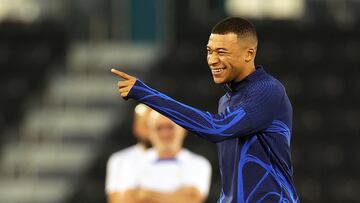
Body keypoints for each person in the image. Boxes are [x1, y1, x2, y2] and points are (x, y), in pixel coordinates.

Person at [111, 17, 299, 203]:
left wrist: (145, 93)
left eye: (222, 52)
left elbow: (216, 128)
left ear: (248, 54)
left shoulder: (268, 90)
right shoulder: (225, 101)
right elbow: (232, 178)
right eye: (209, 51)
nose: (213, 60)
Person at [120, 110, 212, 203]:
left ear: (183, 129)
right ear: (150, 132)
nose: (165, 133)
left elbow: (190, 200)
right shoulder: (132, 163)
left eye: (170, 127)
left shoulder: (198, 163)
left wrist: (144, 195)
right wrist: (176, 197)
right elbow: (127, 199)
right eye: (159, 128)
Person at [105, 104, 152, 203]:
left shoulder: (183, 160)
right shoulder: (119, 160)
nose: (150, 130)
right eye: (146, 124)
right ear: (136, 127)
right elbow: (115, 199)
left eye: (154, 125)